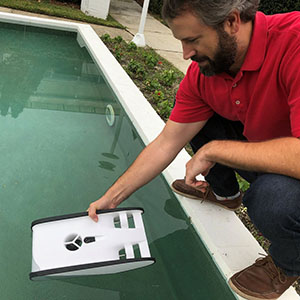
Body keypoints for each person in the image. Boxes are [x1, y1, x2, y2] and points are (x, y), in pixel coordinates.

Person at [88, 0, 300, 298]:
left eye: (192, 40)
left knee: (273, 201)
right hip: (269, 151)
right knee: (203, 122)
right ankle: (227, 196)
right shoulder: (205, 73)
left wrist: (215, 150)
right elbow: (167, 142)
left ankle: (287, 263)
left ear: (232, 22)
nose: (186, 54)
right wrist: (113, 197)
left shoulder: (294, 42)